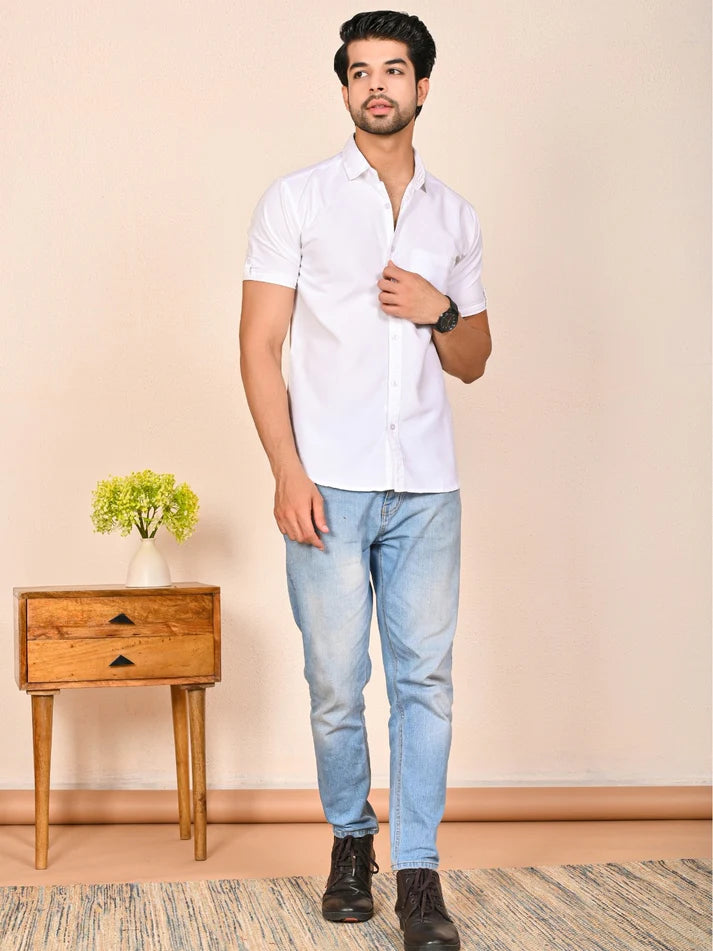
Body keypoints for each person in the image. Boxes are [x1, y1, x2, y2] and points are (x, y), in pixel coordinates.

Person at [240, 10, 491, 950]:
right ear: (345, 87)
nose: (375, 84)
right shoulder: (296, 201)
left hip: (426, 487)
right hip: (328, 485)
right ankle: (352, 842)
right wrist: (285, 469)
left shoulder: (453, 216)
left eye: (393, 70)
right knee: (335, 684)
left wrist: (438, 308)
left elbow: (473, 359)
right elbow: (259, 344)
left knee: (425, 682)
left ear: (422, 87)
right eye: (359, 71)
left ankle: (419, 874)